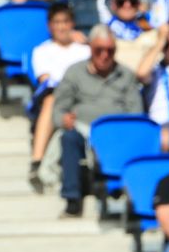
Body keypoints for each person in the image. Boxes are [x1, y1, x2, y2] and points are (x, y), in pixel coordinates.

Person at [54, 26, 144, 217]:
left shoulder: (126, 75)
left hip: (118, 134)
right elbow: (59, 108)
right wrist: (63, 119)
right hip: (84, 130)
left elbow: (136, 112)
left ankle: (124, 194)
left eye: (110, 51)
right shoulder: (74, 72)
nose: (104, 55)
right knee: (68, 138)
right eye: (99, 50)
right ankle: (72, 198)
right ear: (90, 49)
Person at [28, 4, 91, 186]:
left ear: (72, 24)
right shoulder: (42, 50)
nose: (62, 27)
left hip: (82, 98)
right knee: (51, 100)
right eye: (57, 22)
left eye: (65, 22)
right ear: (50, 26)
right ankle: (37, 160)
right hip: (55, 96)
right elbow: (45, 79)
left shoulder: (84, 50)